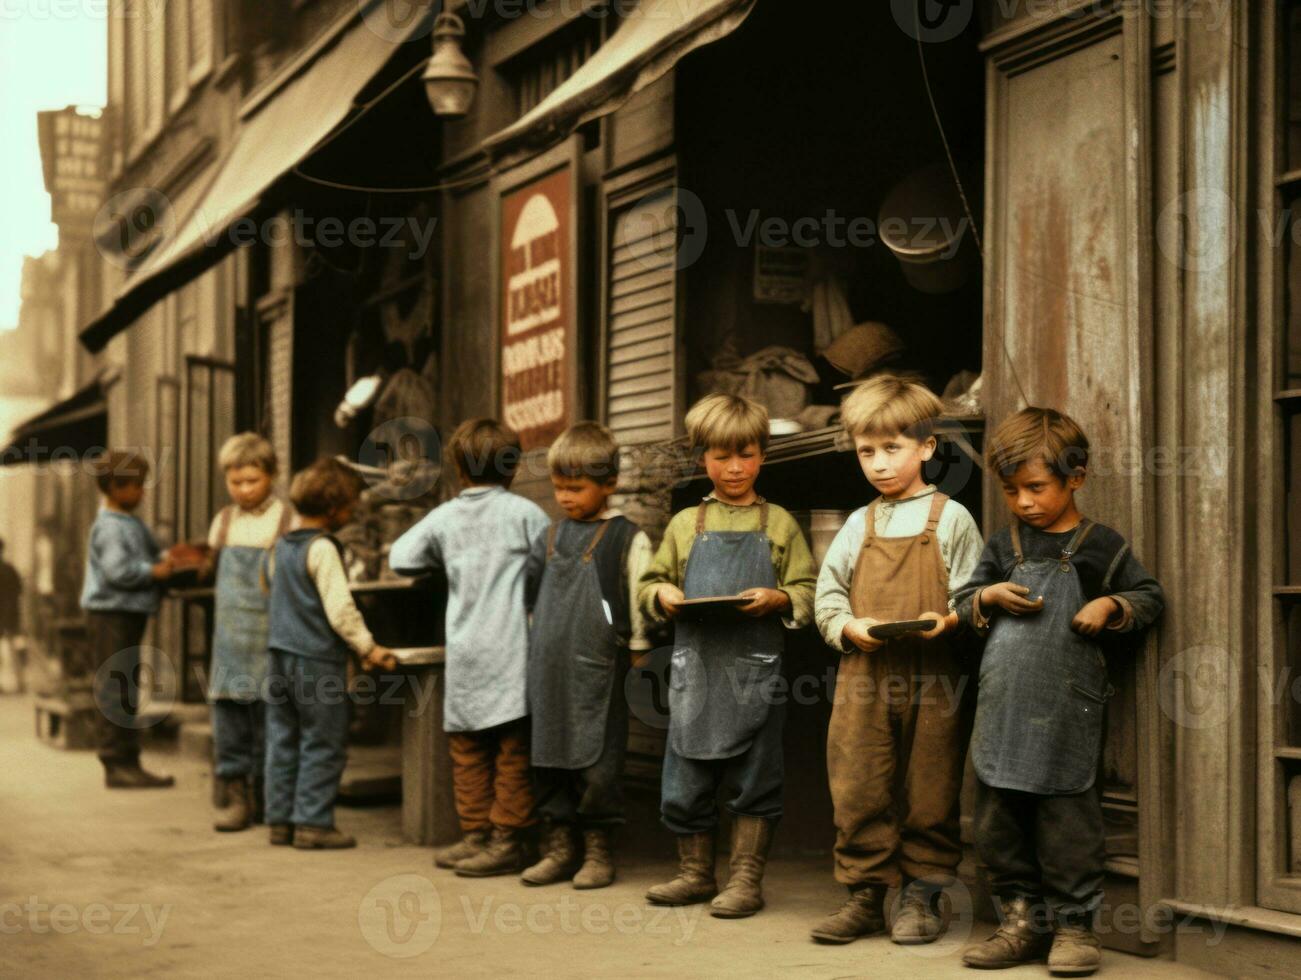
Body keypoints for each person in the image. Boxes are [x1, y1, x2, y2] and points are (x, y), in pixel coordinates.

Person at [956, 407, 1164, 976]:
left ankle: (1075, 928)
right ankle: (1019, 922)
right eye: (1011, 490)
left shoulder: (1102, 546)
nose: (1023, 501)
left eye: (1035, 487)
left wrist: (1111, 604)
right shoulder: (1004, 545)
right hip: (1003, 710)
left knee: (1068, 823)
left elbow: (1149, 596)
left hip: (1066, 709)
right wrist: (989, 597)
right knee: (999, 823)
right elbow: (962, 603)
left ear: (1076, 477)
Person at [810, 375, 985, 945]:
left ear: (927, 447)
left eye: (893, 448)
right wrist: (847, 627)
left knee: (932, 785)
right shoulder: (859, 523)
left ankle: (922, 895)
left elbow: (973, 593)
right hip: (865, 674)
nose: (879, 464)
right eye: (867, 451)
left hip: (934, 675)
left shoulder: (951, 517)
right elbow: (828, 592)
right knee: (859, 780)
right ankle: (864, 892)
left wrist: (953, 619)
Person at [638, 393, 817, 919]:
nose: (734, 468)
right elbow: (650, 583)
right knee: (685, 777)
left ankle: (744, 880)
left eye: (745, 454)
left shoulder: (778, 523)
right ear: (702, 460)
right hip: (696, 671)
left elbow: (807, 588)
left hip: (755, 671)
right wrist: (663, 595)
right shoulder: (683, 525)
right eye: (720, 456)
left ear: (762, 454)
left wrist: (779, 598)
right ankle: (695, 874)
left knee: (755, 775)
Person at [390, 419, 550, 876]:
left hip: (466, 651)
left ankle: (477, 832)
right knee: (512, 750)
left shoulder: (445, 517)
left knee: (468, 749)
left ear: (458, 468)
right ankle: (508, 838)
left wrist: (444, 557)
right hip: (513, 651)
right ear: (513, 468)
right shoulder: (525, 515)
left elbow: (401, 558)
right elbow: (549, 565)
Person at [521, 422, 652, 890]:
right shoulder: (549, 539)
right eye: (559, 488)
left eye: (576, 488)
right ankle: (558, 846)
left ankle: (598, 848)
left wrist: (639, 648)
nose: (565, 498)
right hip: (548, 671)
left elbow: (639, 597)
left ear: (610, 485)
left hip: (599, 670)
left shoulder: (626, 538)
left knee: (598, 763)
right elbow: (530, 600)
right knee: (549, 757)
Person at [263, 457, 395, 849]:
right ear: (335, 509)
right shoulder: (322, 549)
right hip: (315, 660)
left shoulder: (278, 547)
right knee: (324, 739)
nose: (353, 512)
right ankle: (313, 824)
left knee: (283, 738)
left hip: (278, 655)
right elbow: (340, 610)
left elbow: (270, 590)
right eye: (352, 505)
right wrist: (368, 648)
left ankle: (280, 820)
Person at [204, 433, 292, 832]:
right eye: (235, 482)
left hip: (270, 637)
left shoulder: (286, 521)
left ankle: (267, 794)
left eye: (252, 481)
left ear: (272, 476)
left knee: (270, 719)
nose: (243, 490)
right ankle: (236, 795)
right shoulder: (222, 523)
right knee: (230, 720)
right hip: (229, 642)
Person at [80, 450, 175, 788]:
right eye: (136, 487)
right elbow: (118, 571)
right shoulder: (108, 527)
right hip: (111, 613)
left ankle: (128, 760)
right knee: (115, 688)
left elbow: (153, 552)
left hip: (127, 613)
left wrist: (170, 557)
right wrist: (155, 570)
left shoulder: (130, 523)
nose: (142, 493)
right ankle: (115, 762)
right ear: (115, 487)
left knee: (127, 686)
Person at [0, 538, 25, 694]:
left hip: (5, 614)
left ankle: (19, 683)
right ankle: (20, 683)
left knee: (13, 649)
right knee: (15, 649)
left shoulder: (9, 570)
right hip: (11, 615)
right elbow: (19, 591)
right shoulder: (10, 569)